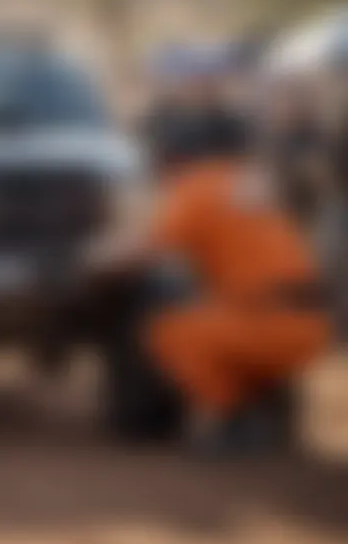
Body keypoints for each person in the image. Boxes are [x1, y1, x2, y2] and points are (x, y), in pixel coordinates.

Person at [89, 125, 330, 458]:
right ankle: (272, 406)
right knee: (217, 313)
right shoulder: (244, 182)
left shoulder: (199, 186)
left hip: (269, 324)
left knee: (168, 333)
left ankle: (237, 419)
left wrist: (88, 260)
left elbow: (140, 251)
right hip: (308, 322)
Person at [270, 82, 331, 230]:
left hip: (315, 206)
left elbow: (324, 172)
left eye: (302, 103)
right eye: (292, 104)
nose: (296, 109)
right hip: (284, 205)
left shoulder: (321, 134)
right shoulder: (276, 137)